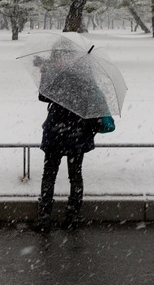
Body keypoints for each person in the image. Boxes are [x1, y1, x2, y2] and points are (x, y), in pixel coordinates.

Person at [31, 50, 104, 232]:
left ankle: (45, 219)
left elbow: (43, 96)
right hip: (77, 134)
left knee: (49, 175)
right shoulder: (85, 75)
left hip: (57, 133)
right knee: (75, 175)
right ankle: (71, 218)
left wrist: (46, 73)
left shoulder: (59, 76)